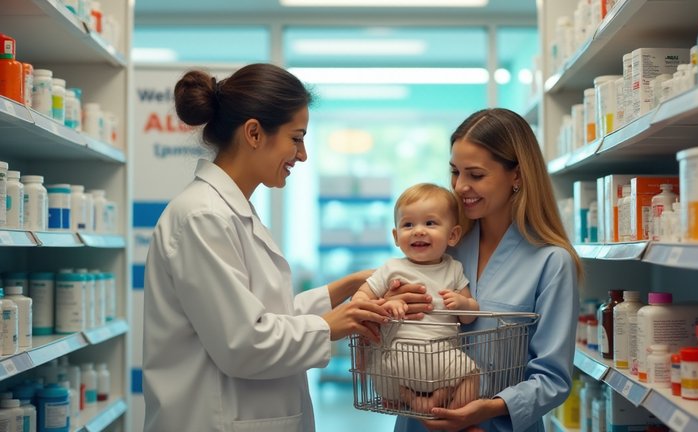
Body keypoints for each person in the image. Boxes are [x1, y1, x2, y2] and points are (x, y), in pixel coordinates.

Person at [142, 63, 390, 432]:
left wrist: (345, 289)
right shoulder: (203, 216)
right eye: (296, 137)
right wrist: (331, 327)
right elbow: (244, 343)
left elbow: (263, 316)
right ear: (254, 133)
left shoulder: (230, 210)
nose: (302, 155)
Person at [388, 108, 582, 432]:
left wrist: (486, 410)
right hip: (422, 421)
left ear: (516, 175)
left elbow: (552, 380)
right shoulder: (440, 246)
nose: (461, 186)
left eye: (475, 175)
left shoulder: (551, 262)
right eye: (455, 172)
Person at [352, 183, 480, 415]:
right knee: (470, 376)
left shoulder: (453, 269)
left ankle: (437, 409)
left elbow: (470, 315)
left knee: (469, 377)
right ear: (396, 236)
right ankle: (425, 402)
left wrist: (462, 304)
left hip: (439, 357)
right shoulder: (391, 269)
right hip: (399, 357)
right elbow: (359, 300)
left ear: (452, 235)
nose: (418, 231)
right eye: (408, 224)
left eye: (430, 223)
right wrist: (385, 303)